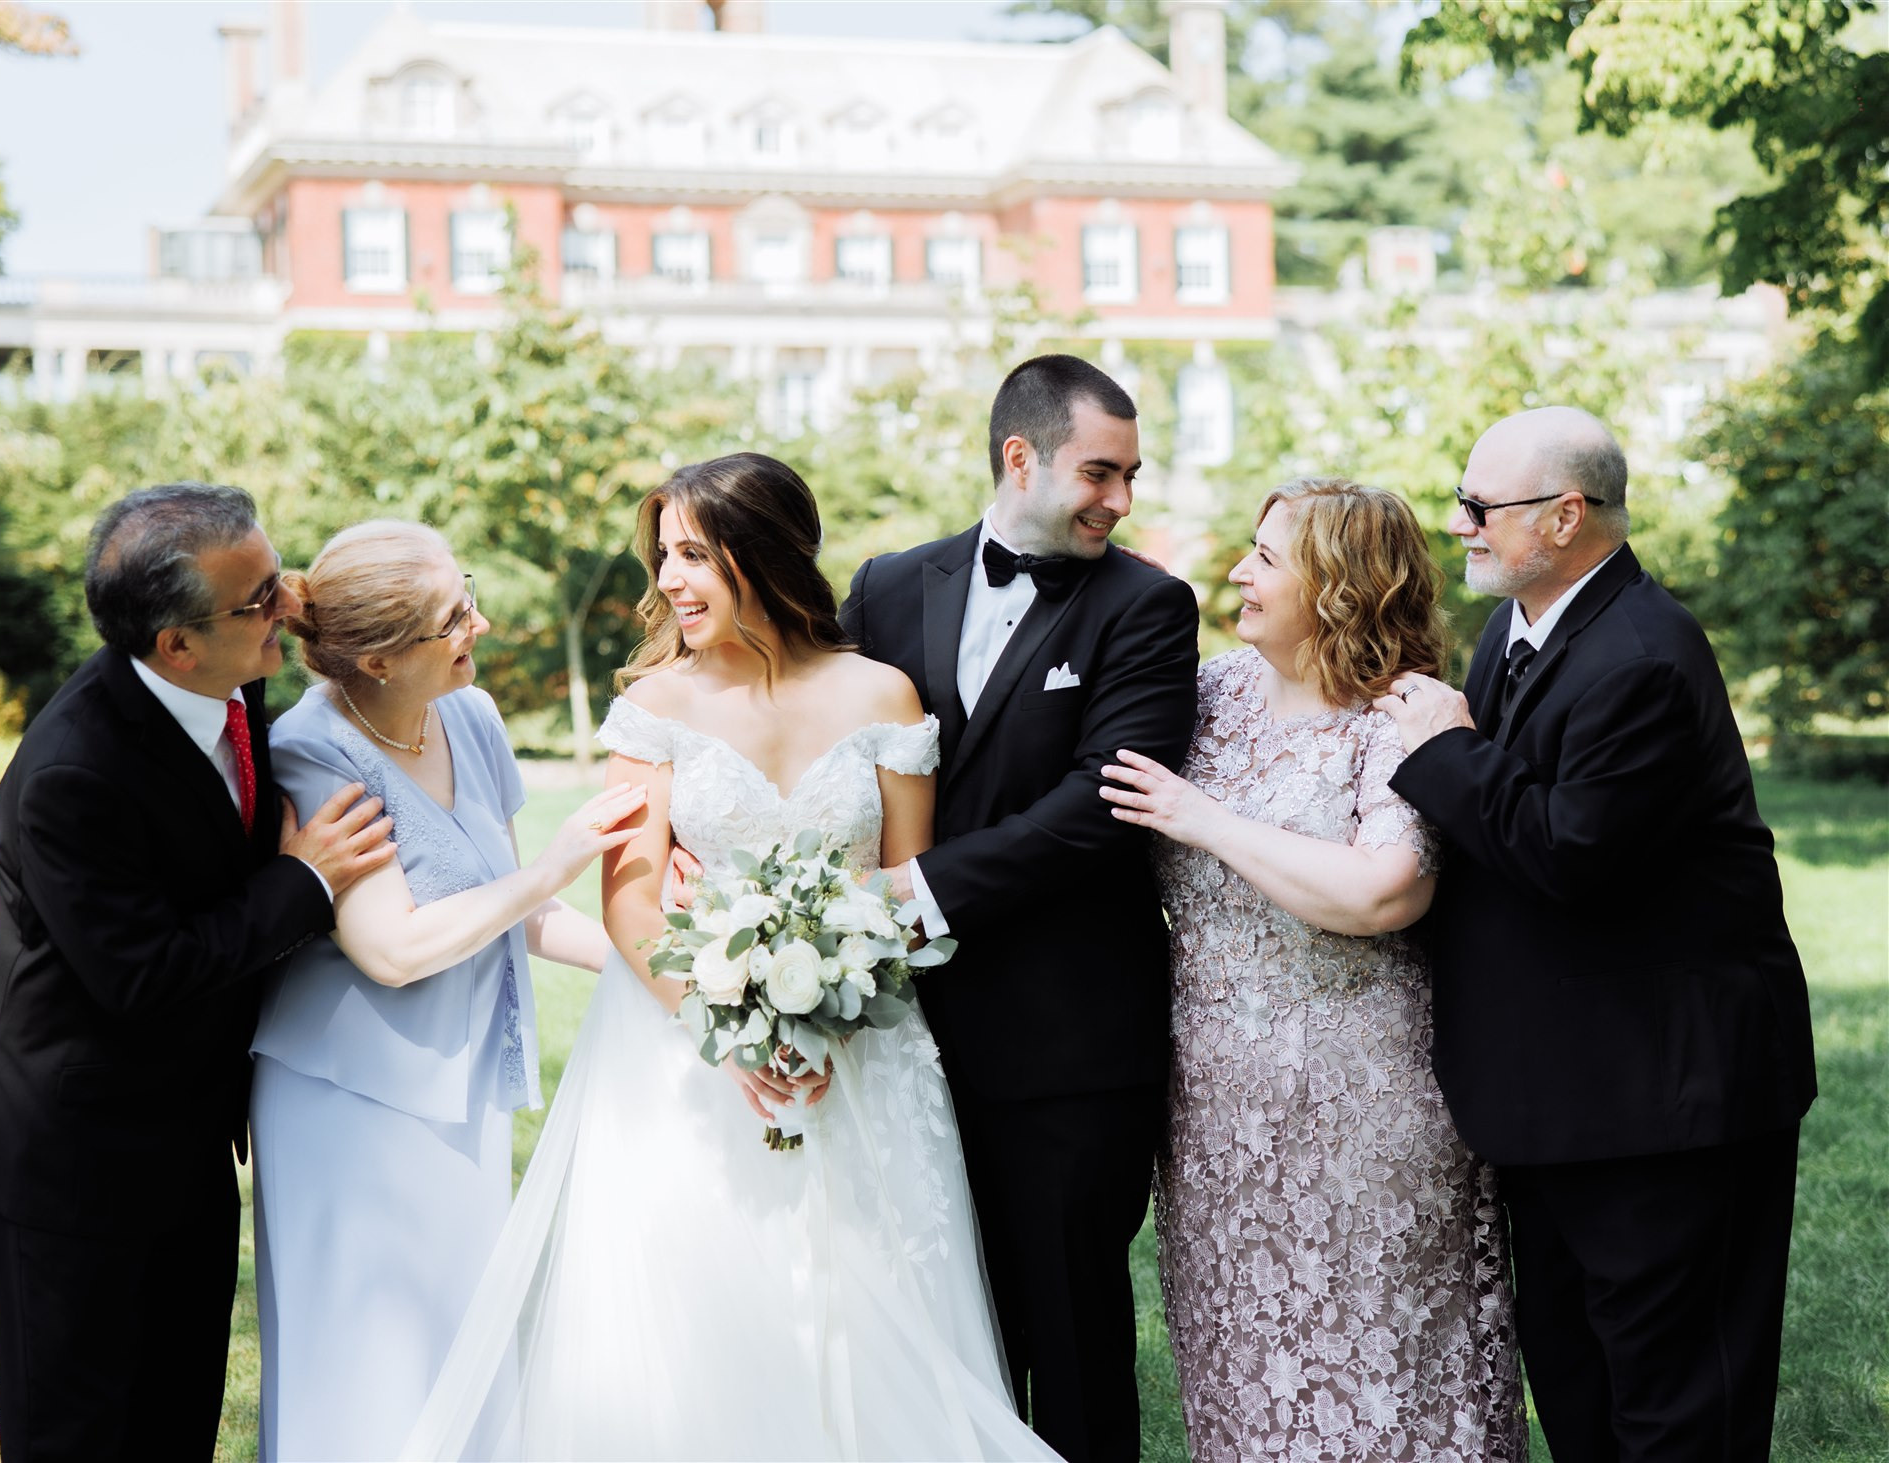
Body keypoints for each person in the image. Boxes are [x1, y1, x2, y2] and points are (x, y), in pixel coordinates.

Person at [402, 453, 1055, 1461]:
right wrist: (737, 1039)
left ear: (765, 555)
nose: (668, 579)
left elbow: (907, 888)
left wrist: (836, 1011)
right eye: (663, 556)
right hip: (685, 1055)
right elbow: (629, 901)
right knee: (703, 1324)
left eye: (693, 555)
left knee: (879, 1314)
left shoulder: (883, 695)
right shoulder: (656, 706)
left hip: (864, 1055)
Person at [1378, 406, 1816, 1462]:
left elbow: (1568, 853)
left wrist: (1442, 748)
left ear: (1565, 515)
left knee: (1674, 1405)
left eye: (1480, 506)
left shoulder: (1643, 657)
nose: (1461, 524)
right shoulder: (1516, 629)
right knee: (1577, 1382)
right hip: (1564, 1092)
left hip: (1668, 1101)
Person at [0, 483, 395, 1462]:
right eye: (261, 597)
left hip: (185, 1139)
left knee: (176, 1424)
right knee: (80, 1437)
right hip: (74, 1159)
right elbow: (145, 975)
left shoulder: (231, 670)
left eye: (278, 576)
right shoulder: (72, 774)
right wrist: (305, 880)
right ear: (176, 644)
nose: (289, 604)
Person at [1098, 477, 1525, 1463]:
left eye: (1267, 558)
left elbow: (1386, 890)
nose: (1238, 573)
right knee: (1242, 1366)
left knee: (1385, 1373)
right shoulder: (1205, 693)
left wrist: (1203, 819)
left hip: (1364, 1103)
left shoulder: (1400, 715)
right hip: (1213, 1109)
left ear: (1338, 584)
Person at [839, 355, 1201, 1462]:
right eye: (1099, 472)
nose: (1119, 499)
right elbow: (829, 749)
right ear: (1019, 456)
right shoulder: (887, 586)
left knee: (1073, 1331)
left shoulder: (1148, 606)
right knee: (944, 1328)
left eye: (1130, 475)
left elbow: (1102, 803)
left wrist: (914, 892)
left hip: (1068, 1040)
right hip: (901, 1038)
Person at [248, 520, 646, 1461]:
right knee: (369, 1362)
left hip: (467, 1086)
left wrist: (667, 970)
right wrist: (550, 868)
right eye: (454, 617)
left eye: (467, 597)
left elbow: (516, 912)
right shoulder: (311, 750)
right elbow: (389, 948)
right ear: (380, 658)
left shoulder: (470, 713)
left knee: (464, 1337)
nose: (482, 624)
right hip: (349, 1101)